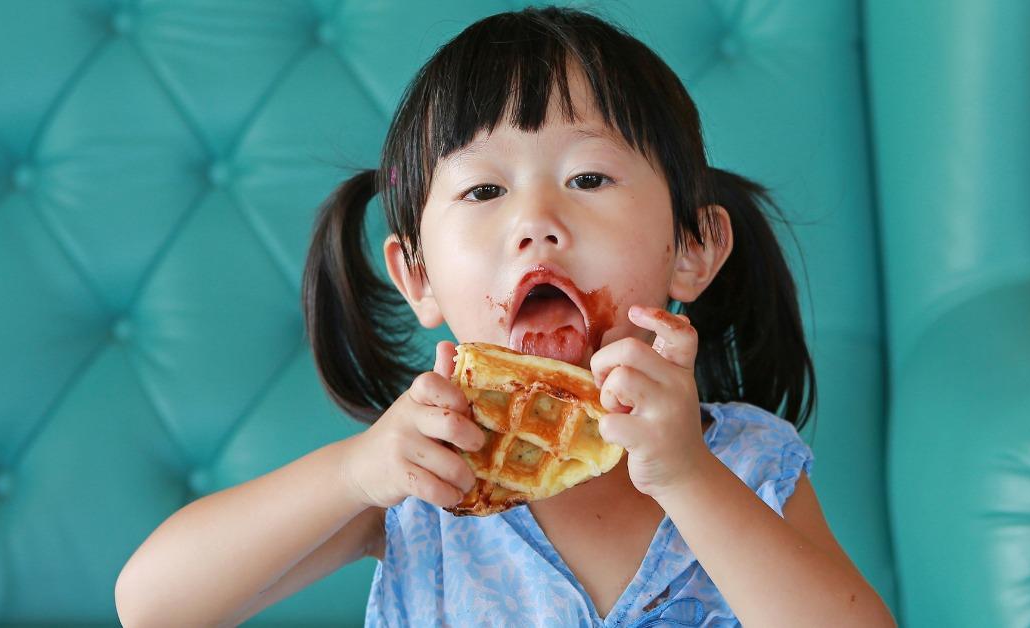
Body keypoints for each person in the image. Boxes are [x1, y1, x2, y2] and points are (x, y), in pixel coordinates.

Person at [115, 5, 895, 627]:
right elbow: (152, 605)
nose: (536, 221)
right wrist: (355, 473)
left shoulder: (747, 462)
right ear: (416, 277)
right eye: (484, 192)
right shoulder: (422, 482)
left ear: (692, 246)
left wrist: (688, 475)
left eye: (589, 177)